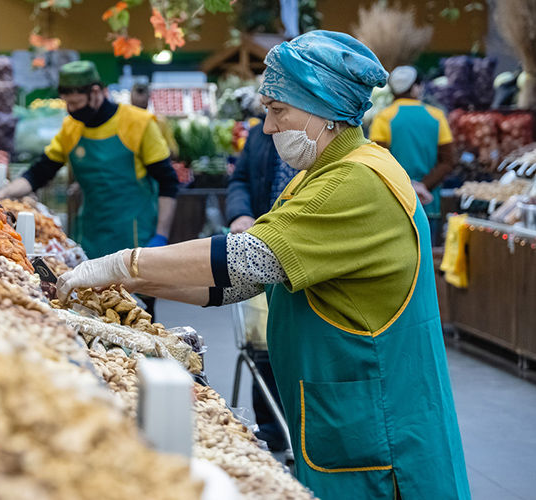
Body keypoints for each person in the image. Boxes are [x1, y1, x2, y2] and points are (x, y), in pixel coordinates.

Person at [56, 31, 470, 500]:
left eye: (278, 110)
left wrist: (123, 263)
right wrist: (121, 288)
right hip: (349, 418)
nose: (268, 127)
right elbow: (235, 286)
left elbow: (243, 259)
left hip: (384, 436)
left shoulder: (357, 182)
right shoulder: (319, 174)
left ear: (324, 110)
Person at [0, 61, 179, 261]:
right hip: (90, 236)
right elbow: (40, 172)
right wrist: (1, 194)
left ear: (95, 92)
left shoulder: (140, 122)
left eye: (75, 103)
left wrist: (161, 235)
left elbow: (168, 181)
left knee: (133, 291)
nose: (70, 109)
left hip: (135, 237)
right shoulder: (71, 127)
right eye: (67, 103)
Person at [226, 120, 299, 452]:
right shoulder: (259, 135)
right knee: (264, 344)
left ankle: (301, 430)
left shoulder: (319, 141)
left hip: (304, 253)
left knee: (297, 341)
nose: (269, 120)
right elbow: (240, 179)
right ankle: (271, 428)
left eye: (277, 107)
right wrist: (240, 214)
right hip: (259, 253)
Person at [369, 66, 455, 245]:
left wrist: (406, 186)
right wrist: (422, 186)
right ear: (415, 88)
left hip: (394, 202)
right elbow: (447, 162)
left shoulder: (383, 118)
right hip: (428, 203)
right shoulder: (437, 116)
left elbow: (377, 160)